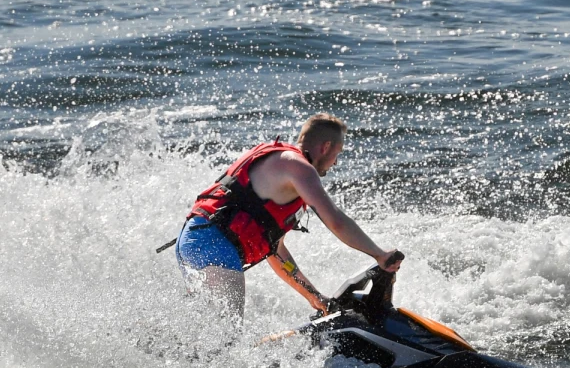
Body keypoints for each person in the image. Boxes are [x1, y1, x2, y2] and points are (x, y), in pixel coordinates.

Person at [171, 113, 402, 319]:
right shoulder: (298, 167)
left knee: (206, 332)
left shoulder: (284, 170)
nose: (336, 162)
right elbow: (336, 221)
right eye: (337, 153)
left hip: (196, 241)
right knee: (225, 338)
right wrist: (379, 254)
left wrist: (314, 297)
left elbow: (276, 252)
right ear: (326, 146)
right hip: (213, 246)